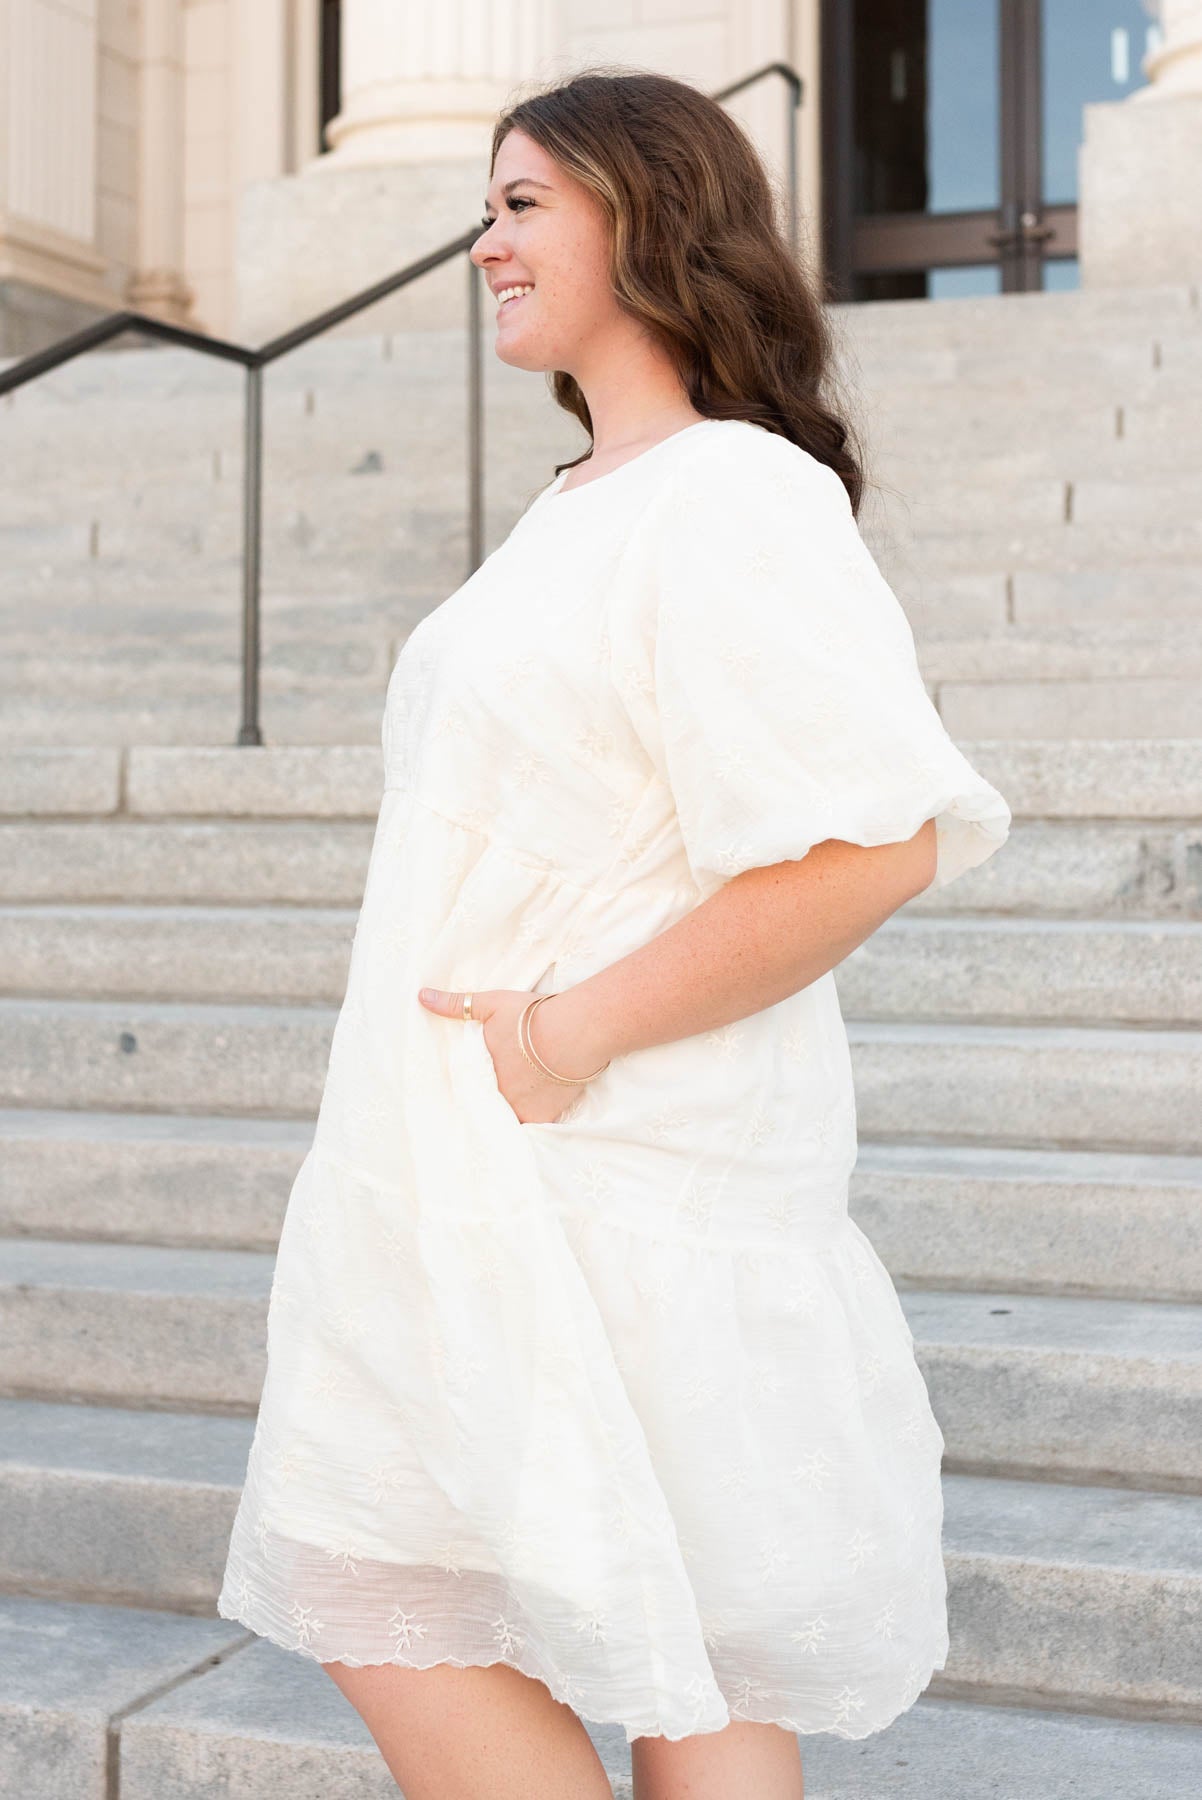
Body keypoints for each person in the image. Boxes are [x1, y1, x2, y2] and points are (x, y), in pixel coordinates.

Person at [217, 67, 1012, 1800]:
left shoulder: (732, 493)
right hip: (481, 1175)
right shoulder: (585, 500)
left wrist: (561, 1034)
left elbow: (868, 845)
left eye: (521, 203)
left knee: (657, 1648)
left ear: (645, 215)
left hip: (606, 1164)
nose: (482, 239)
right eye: (485, 202)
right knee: (655, 1647)